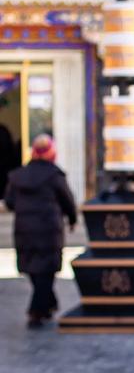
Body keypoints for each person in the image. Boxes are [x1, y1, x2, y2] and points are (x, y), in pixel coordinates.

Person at [4, 134, 77, 328]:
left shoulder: (18, 176)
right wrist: (72, 218)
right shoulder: (54, 175)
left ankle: (46, 305)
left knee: (34, 267)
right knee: (47, 268)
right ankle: (37, 309)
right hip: (48, 228)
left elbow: (9, 202)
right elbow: (67, 199)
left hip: (25, 229)